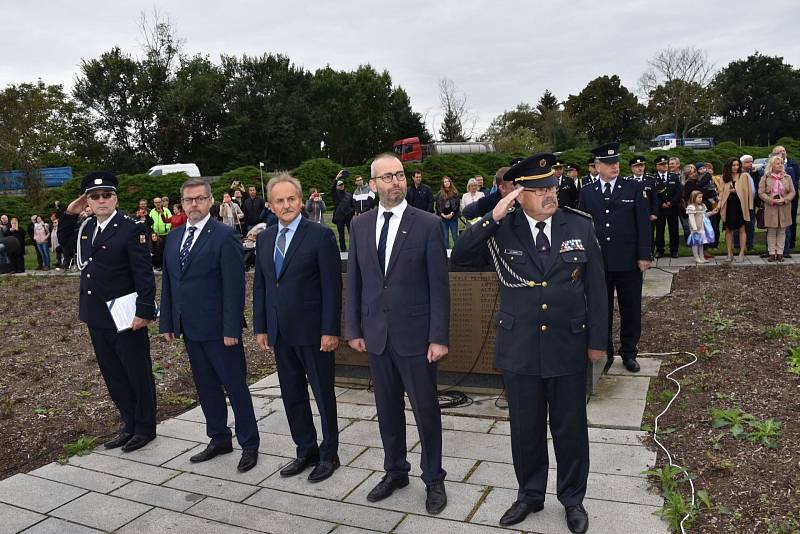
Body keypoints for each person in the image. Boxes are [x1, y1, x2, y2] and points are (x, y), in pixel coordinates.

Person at [451, 153, 605, 533]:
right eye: (539, 190)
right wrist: (494, 215)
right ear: (520, 194)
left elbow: (598, 290)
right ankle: (530, 495)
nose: (550, 194)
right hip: (519, 345)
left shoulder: (579, 226)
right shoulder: (503, 228)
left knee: (570, 428)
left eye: (552, 187)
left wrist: (597, 343)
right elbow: (461, 255)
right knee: (525, 428)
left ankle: (572, 499)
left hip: (568, 344)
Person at [345, 153, 449, 515]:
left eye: (400, 175)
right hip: (377, 336)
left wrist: (438, 336)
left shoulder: (428, 224)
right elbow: (356, 283)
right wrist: (354, 329)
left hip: (417, 338)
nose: (395, 182)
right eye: (387, 177)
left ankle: (434, 478)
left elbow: (440, 287)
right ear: (372, 184)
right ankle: (395, 471)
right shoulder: (360, 225)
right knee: (387, 410)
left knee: (425, 411)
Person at [160, 178, 260, 473]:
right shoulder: (174, 237)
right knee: (205, 387)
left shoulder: (224, 236)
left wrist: (231, 329)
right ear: (181, 203)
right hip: (190, 328)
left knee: (235, 386)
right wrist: (168, 320)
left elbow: (234, 286)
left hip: (220, 331)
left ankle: (249, 443)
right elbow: (168, 282)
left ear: (210, 201)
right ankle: (219, 437)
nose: (194, 204)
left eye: (200, 199)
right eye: (189, 200)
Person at [58, 172, 158, 452]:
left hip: (126, 315)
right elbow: (65, 243)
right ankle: (129, 423)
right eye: (94, 196)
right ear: (87, 201)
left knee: (137, 371)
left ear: (115, 198)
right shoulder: (86, 228)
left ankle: (145, 427)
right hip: (96, 315)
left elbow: (144, 275)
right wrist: (70, 212)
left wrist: (145, 310)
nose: (101, 200)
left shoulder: (130, 227)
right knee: (113, 373)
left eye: (106, 195)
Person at [253, 173, 342, 482]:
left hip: (315, 333)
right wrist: (261, 326)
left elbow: (332, 287)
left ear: (301, 201)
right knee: (292, 394)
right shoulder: (264, 239)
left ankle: (329, 453)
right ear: (270, 205)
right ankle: (305, 449)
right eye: (280, 200)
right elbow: (262, 286)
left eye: (292, 198)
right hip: (280, 332)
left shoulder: (320, 236)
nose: (287, 204)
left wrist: (330, 329)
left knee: (322, 394)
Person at [579, 142, 651, 374]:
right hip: (599, 262)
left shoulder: (632, 188)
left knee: (631, 308)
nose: (615, 167)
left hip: (629, 260)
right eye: (609, 164)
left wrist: (644, 255)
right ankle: (606, 351)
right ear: (597, 166)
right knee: (602, 308)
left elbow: (643, 223)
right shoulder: (588, 191)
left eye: (617, 162)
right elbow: (581, 225)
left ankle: (629, 352)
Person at [758, 155, 796, 262]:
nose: (780, 165)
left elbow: (793, 192)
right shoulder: (765, 177)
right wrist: (771, 200)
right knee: (771, 231)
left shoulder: (787, 177)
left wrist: (785, 200)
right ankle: (771, 253)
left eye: (781, 163)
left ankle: (780, 253)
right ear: (772, 165)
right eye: (778, 163)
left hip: (784, 207)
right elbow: (761, 192)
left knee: (782, 231)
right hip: (771, 207)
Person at [717, 158, 753, 262]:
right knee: (728, 229)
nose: (736, 167)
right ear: (729, 166)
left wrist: (736, 191)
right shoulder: (724, 177)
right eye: (733, 165)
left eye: (737, 165)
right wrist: (719, 206)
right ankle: (729, 253)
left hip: (741, 205)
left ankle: (741, 253)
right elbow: (721, 192)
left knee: (742, 229)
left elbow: (749, 192)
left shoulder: (744, 176)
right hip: (728, 205)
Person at [771, 146, 800, 258]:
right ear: (774, 154)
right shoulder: (769, 166)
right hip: (773, 201)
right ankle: (772, 251)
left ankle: (788, 246)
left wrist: (786, 198)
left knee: (789, 222)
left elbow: (795, 181)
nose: (782, 153)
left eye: (784, 151)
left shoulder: (793, 164)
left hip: (789, 199)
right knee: (773, 226)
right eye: (779, 152)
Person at [653, 155, 682, 258]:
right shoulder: (653, 178)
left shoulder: (674, 176)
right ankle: (660, 250)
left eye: (665, 164)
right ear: (657, 166)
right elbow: (653, 194)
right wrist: (661, 203)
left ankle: (674, 250)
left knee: (673, 230)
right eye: (661, 164)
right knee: (660, 230)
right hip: (660, 209)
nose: (664, 166)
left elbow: (678, 192)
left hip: (672, 208)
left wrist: (671, 202)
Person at [625, 157, 659, 244]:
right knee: (634, 234)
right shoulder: (627, 181)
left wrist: (654, 213)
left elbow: (654, 198)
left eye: (642, 166)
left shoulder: (650, 180)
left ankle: (649, 253)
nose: (640, 168)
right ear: (632, 168)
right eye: (637, 166)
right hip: (632, 214)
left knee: (649, 234)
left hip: (648, 214)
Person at [686, 190, 716, 264]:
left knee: (701, 243)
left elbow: (704, 215)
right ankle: (696, 257)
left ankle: (702, 256)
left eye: (701, 197)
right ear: (693, 198)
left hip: (702, 227)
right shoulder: (691, 207)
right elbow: (691, 218)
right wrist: (694, 228)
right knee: (695, 243)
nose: (701, 199)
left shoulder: (702, 206)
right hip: (696, 228)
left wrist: (712, 212)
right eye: (699, 197)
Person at [738, 155, 759, 252]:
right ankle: (737, 245)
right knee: (739, 225)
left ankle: (750, 245)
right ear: (741, 164)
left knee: (750, 225)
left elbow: (757, 187)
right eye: (747, 162)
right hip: (740, 203)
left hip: (752, 203)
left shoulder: (753, 173)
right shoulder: (738, 174)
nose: (751, 163)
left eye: (751, 161)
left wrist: (755, 174)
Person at [331, 171, 355, 251]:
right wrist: (336, 178)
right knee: (341, 234)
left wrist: (351, 212)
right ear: (337, 186)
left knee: (351, 234)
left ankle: (353, 248)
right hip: (339, 217)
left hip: (348, 217)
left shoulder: (349, 195)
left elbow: (353, 205)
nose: (341, 186)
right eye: (339, 185)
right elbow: (332, 188)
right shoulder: (335, 194)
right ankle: (343, 249)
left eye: (342, 185)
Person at [435, 176, 460, 248]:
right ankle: (446, 253)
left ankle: (458, 251)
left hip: (453, 217)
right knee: (445, 237)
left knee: (455, 236)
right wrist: (443, 215)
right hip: (443, 219)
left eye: (448, 181)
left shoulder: (455, 193)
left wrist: (452, 213)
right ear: (443, 183)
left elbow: (457, 205)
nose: (447, 183)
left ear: (450, 182)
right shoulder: (439, 194)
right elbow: (437, 206)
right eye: (445, 181)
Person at [148, 197, 172, 269]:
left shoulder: (166, 210)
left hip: (165, 234)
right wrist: (152, 229)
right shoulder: (152, 211)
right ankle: (157, 265)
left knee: (164, 251)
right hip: (155, 235)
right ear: (154, 204)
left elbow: (171, 220)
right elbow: (149, 221)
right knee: (156, 251)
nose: (158, 204)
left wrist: (167, 227)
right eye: (156, 202)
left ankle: (164, 266)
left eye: (159, 202)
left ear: (161, 202)